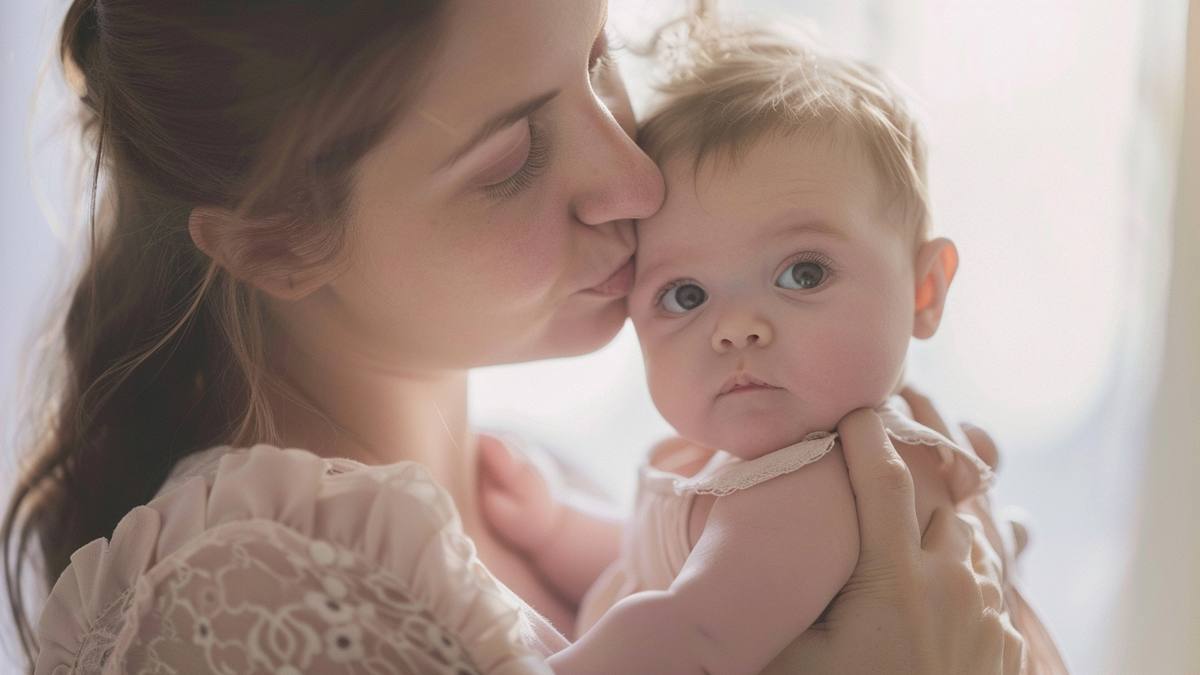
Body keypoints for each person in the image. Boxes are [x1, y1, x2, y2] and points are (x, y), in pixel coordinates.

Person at [2, 1, 1022, 673]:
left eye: (597, 59)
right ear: (279, 243)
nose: (634, 175)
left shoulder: (530, 490)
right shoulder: (247, 607)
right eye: (513, 155)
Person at [479, 22, 1066, 675]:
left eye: (802, 274)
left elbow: (691, 632)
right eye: (685, 294)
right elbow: (659, 567)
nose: (736, 328)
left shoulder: (824, 485)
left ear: (924, 290)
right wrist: (556, 526)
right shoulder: (759, 477)